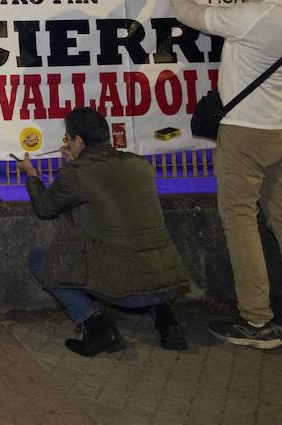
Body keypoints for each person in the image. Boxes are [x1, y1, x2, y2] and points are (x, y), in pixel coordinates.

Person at [167, 0, 282, 349]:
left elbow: (186, 13)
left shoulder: (253, 18)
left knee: (240, 222)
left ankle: (256, 321)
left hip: (245, 133)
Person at [17, 108, 189, 356]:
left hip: (124, 290)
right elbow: (106, 188)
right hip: (167, 282)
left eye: (68, 139)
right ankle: (167, 320)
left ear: (78, 141)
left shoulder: (75, 174)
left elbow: (45, 208)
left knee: (39, 258)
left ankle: (96, 327)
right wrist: (77, 163)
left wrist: (32, 175)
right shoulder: (140, 165)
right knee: (140, 248)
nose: (67, 144)